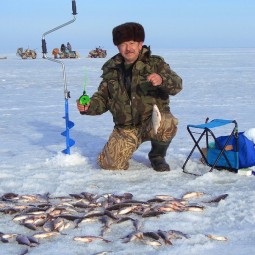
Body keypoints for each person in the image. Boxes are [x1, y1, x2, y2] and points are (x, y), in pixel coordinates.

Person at [76, 22, 182, 171]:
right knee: (110, 165)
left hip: (152, 121)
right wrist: (88, 106)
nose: (128, 48)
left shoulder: (156, 64)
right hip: (126, 128)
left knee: (167, 122)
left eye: (132, 43)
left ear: (140, 44)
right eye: (123, 44)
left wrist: (162, 80)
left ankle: (157, 156)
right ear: (118, 47)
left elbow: (177, 84)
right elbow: (102, 99)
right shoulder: (112, 70)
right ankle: (123, 148)